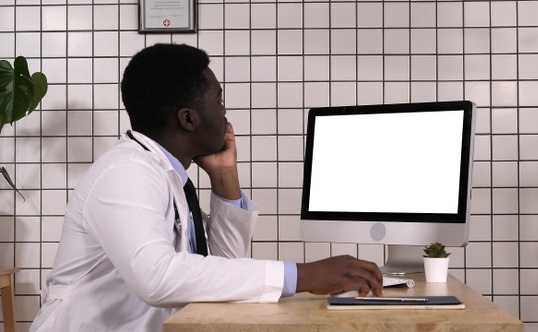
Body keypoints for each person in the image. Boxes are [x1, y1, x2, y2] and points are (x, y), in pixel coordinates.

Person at [30, 43, 382, 331]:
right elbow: (157, 277)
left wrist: (224, 177)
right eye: (219, 99)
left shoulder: (164, 176)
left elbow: (224, 267)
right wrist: (301, 275)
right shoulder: (127, 173)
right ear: (188, 118)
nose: (225, 112)